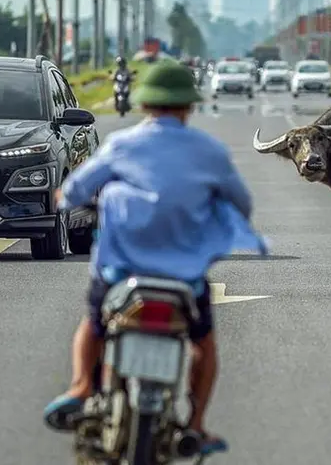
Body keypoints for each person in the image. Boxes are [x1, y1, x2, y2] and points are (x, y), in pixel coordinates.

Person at [43, 61, 267, 454]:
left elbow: (74, 191)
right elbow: (242, 202)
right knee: (203, 343)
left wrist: (66, 201)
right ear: (189, 107)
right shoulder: (209, 151)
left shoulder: (122, 145)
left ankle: (80, 386)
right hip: (184, 277)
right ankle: (196, 424)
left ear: (144, 104)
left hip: (121, 270)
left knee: (94, 323)